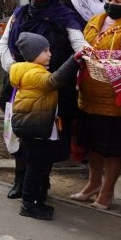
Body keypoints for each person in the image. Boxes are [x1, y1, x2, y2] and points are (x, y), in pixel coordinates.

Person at [0, 0, 86, 199]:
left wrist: (89, 56)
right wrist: (15, 69)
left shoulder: (64, 17)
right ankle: (19, 180)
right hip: (19, 83)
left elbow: (79, 45)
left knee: (46, 137)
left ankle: (41, 182)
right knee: (20, 132)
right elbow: (4, 44)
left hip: (51, 86)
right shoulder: (20, 14)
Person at [70, 0, 121, 210]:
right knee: (93, 144)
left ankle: (107, 191)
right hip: (90, 94)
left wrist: (113, 60)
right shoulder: (95, 21)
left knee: (112, 148)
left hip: (115, 98)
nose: (112, 2)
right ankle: (92, 184)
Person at [9, 32, 84, 220]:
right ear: (33, 54)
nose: (49, 54)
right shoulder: (33, 73)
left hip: (36, 125)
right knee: (35, 168)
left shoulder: (32, 70)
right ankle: (28, 204)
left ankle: (38, 200)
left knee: (39, 165)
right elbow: (53, 82)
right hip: (33, 127)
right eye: (44, 51)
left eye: (49, 49)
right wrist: (74, 60)